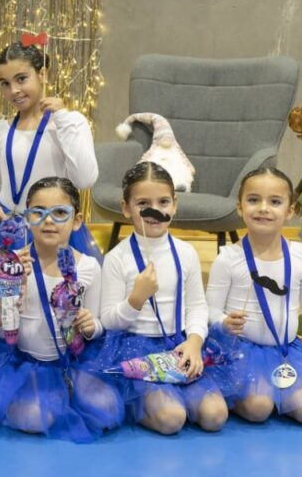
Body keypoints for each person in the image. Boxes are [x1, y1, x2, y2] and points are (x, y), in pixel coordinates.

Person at [97, 162, 228, 434]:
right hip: (135, 350)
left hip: (179, 345)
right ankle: (132, 399)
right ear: (125, 208)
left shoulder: (186, 253)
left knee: (215, 416)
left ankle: (174, 394)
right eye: (143, 203)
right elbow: (109, 320)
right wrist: (136, 299)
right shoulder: (116, 259)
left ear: (175, 204)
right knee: (172, 419)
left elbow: (196, 307)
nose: (155, 210)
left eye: (163, 201)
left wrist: (193, 342)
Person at [0, 177, 122, 442]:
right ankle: (49, 395)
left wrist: (89, 324)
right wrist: (13, 295)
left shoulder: (89, 268)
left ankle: (66, 390)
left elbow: (95, 328)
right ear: (27, 219)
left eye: (60, 213)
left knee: (106, 409)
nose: (48, 221)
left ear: (77, 220)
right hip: (25, 361)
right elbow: (4, 333)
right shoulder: (11, 265)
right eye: (38, 212)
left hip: (74, 359)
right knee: (34, 419)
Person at [204, 167, 302, 424]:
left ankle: (277, 390)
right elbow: (209, 311)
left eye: (275, 202)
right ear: (240, 207)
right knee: (258, 408)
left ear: (290, 210)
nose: (263, 208)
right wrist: (223, 322)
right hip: (240, 350)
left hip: (286, 350)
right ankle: (242, 391)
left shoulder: (301, 256)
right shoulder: (228, 258)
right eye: (253, 200)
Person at [0, 40, 101, 281]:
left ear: (43, 74)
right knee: (10, 303)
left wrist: (63, 118)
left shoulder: (70, 123)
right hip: (5, 231)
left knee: (54, 298)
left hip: (51, 226)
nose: (13, 90)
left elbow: (85, 179)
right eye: (5, 83)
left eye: (21, 79)